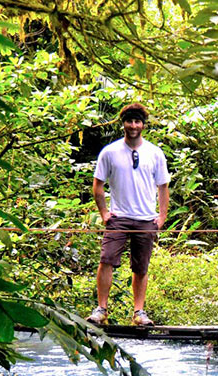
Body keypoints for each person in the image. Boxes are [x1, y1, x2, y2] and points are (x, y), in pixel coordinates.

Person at [86, 103, 171, 326]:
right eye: (129, 121)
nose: (133, 126)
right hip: (119, 218)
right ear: (122, 123)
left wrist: (161, 217)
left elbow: (163, 187)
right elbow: (98, 185)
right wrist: (104, 212)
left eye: (137, 121)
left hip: (145, 218)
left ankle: (139, 313)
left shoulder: (154, 153)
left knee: (141, 266)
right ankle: (101, 309)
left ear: (143, 125)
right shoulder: (110, 152)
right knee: (106, 260)